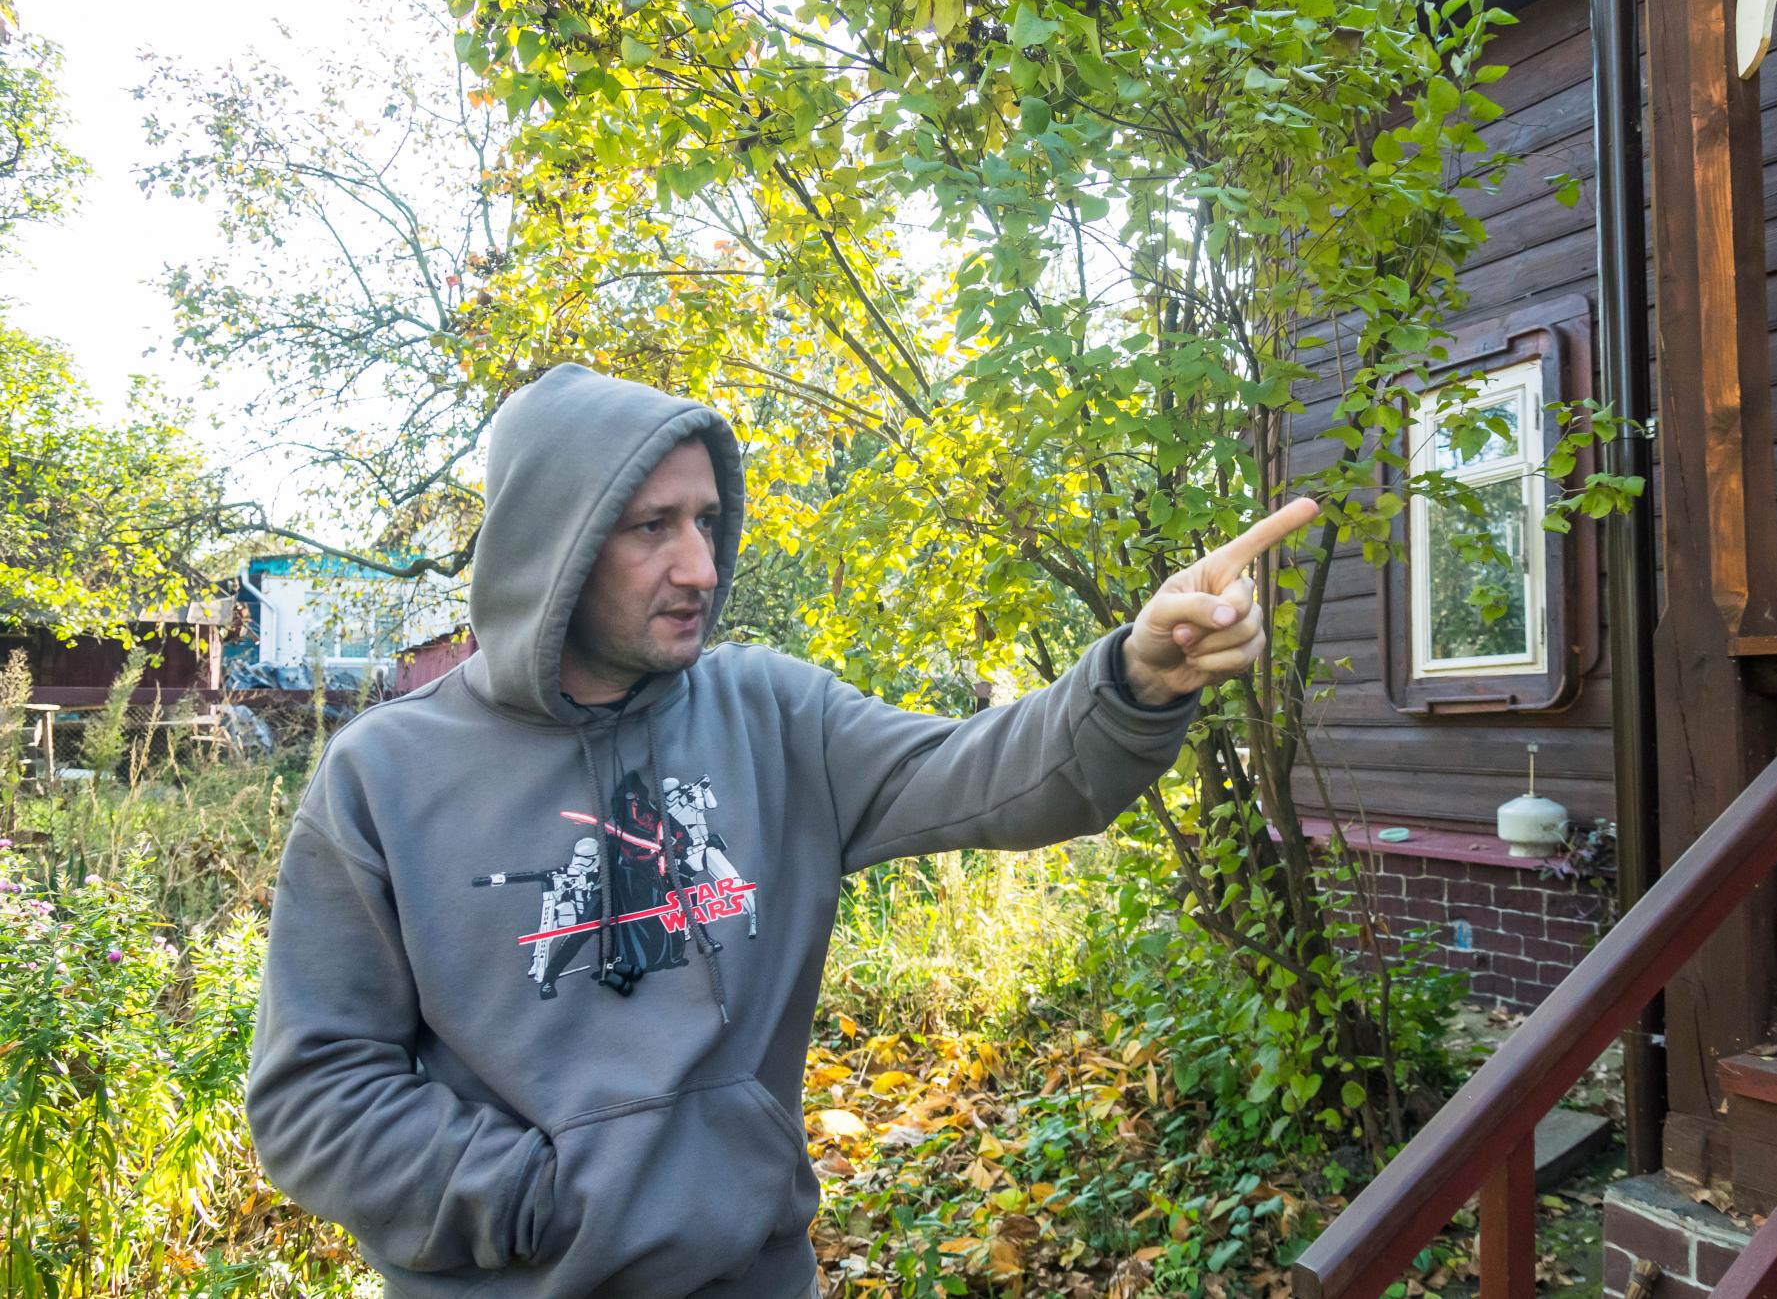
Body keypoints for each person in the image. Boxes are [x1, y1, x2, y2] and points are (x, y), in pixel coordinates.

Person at [245, 362, 1319, 1299]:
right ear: (556, 543)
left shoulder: (772, 715)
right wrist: (540, 1200)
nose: (701, 568)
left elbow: (997, 776)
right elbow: (316, 1092)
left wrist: (1134, 680)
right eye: (651, 527)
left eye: (706, 521)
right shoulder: (385, 773)